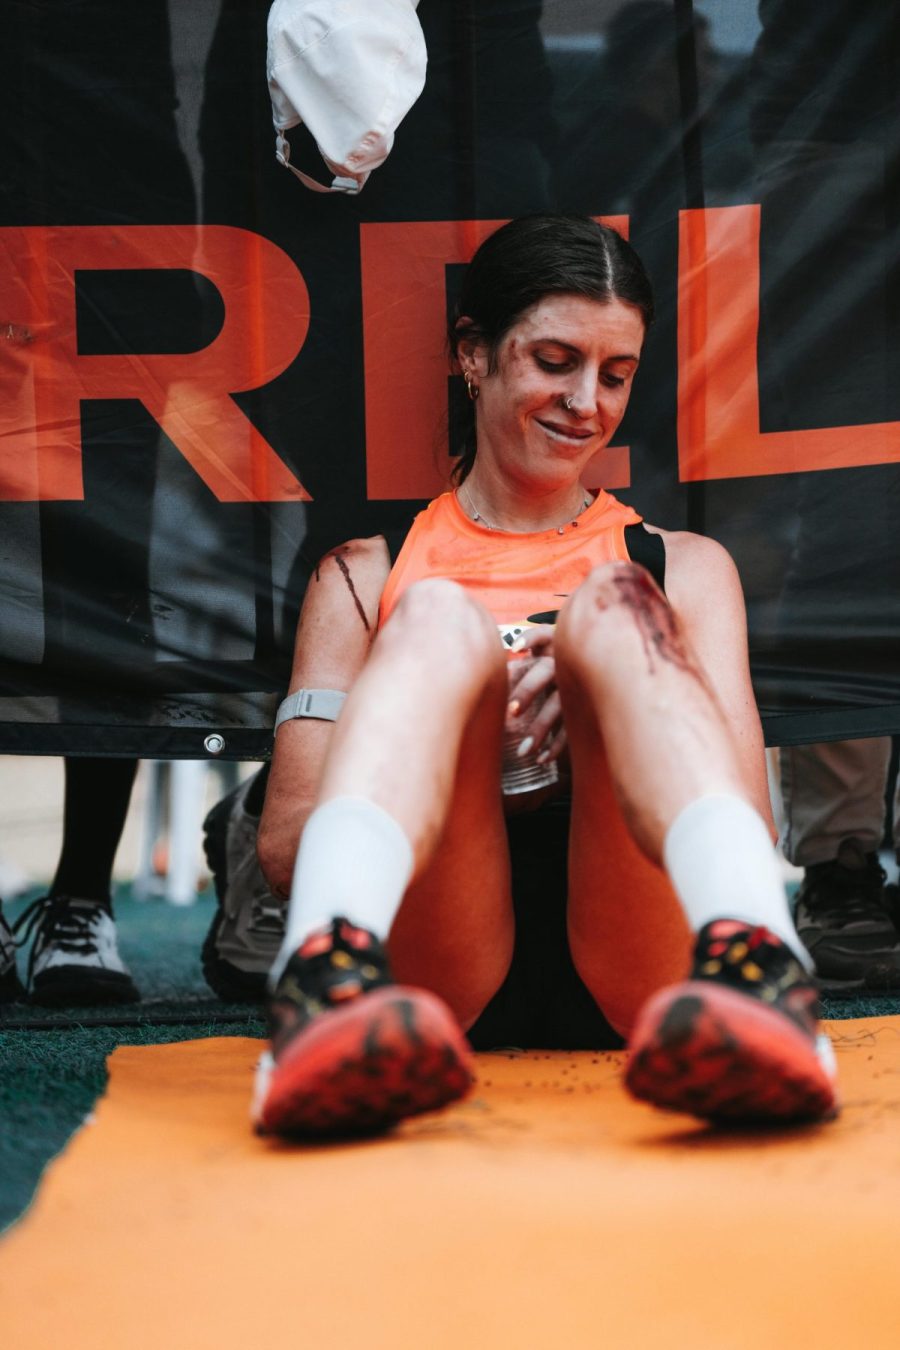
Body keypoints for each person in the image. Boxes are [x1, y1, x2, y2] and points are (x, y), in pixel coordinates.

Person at [252, 214, 838, 1141]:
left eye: (615, 374)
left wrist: (592, 722)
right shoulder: (364, 575)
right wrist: (474, 754)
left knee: (613, 600)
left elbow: (753, 826)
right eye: (555, 360)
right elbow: (284, 848)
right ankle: (322, 987)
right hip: (436, 968)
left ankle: (765, 968)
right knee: (439, 615)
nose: (586, 403)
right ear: (474, 356)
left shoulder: (685, 566)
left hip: (639, 962)